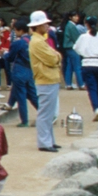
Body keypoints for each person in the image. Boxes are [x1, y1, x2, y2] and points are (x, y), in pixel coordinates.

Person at [29, 11, 63, 152]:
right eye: (44, 24)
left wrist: (56, 56)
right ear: (37, 26)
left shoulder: (40, 40)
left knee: (49, 113)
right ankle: (44, 142)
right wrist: (57, 57)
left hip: (49, 79)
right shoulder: (37, 42)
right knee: (45, 113)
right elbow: (53, 58)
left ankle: (49, 140)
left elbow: (55, 56)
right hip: (45, 79)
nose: (47, 25)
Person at [4, 19, 38, 127]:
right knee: (32, 94)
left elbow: (10, 57)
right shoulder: (32, 40)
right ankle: (46, 113)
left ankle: (24, 120)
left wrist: (4, 54)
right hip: (30, 69)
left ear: (19, 30)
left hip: (19, 70)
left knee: (21, 96)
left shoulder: (18, 42)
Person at [62, 12, 86, 90]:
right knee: (77, 66)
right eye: (75, 16)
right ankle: (81, 84)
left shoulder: (69, 25)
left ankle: (68, 84)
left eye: (77, 16)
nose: (77, 17)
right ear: (70, 17)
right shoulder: (72, 26)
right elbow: (76, 38)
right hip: (72, 47)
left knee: (69, 66)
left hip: (67, 47)